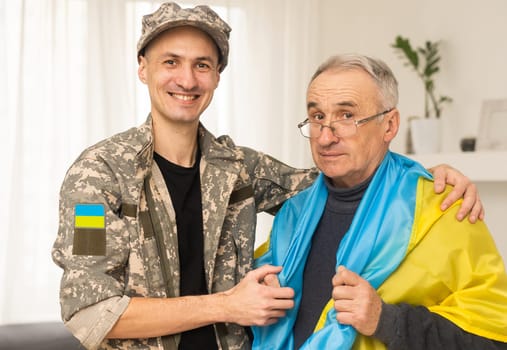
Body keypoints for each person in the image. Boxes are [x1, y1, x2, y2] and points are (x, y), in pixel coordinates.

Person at [52, 3, 484, 350]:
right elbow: (91, 312)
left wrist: (430, 176)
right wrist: (227, 306)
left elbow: (343, 174)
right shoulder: (97, 177)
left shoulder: (239, 168)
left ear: (218, 76)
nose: (187, 79)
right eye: (171, 62)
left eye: (203, 64)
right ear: (143, 67)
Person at [252, 54, 507, 349]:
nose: (325, 138)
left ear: (389, 125)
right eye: (318, 117)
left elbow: (495, 339)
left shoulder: (444, 209)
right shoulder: (293, 215)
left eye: (347, 116)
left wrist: (386, 320)